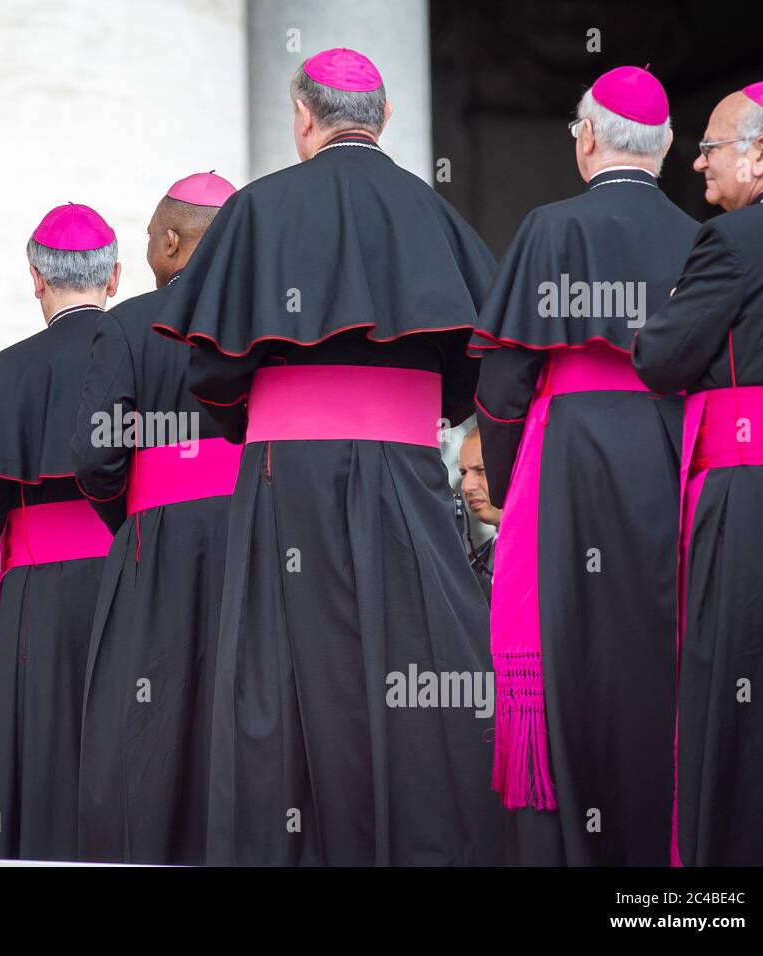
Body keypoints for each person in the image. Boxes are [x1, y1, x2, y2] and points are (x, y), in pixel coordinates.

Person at [154, 48, 502, 865]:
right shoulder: (434, 214)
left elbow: (208, 368)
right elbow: (480, 359)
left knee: (278, 671)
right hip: (409, 473)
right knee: (414, 656)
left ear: (303, 118)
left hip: (288, 474)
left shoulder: (258, 209)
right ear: (385, 119)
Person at [473, 66, 698, 865]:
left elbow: (502, 387)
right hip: (673, 456)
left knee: (570, 650)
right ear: (668, 145)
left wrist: (506, 488)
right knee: (660, 654)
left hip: (567, 459)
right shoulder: (700, 239)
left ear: (588, 138)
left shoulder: (551, 227)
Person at [634, 80, 763, 866]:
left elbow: (661, 358)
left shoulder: (731, 243)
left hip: (757, 495)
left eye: (712, 147)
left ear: (762, 153)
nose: (698, 165)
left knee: (749, 684)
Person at [0, 203, 119, 861]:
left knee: (41, 742)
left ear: (36, 280)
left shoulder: (8, 370)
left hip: (39, 593)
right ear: (116, 276)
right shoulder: (144, 349)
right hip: (134, 576)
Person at [73, 171, 240, 864]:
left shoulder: (126, 324)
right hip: (255, 533)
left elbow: (95, 456)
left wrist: (136, 514)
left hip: (159, 539)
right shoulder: (262, 314)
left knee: (149, 711)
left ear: (171, 241)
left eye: (148, 235)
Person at [456, 426, 499, 601]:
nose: (466, 486)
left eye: (481, 470)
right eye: (463, 473)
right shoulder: (472, 562)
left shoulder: (557, 552)